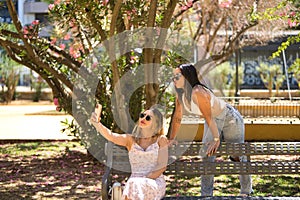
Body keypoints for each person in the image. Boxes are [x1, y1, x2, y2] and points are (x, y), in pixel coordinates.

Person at [169, 63, 252, 196]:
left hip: (229, 118)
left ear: (187, 77)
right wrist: (171, 139)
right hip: (213, 121)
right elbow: (177, 118)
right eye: (173, 76)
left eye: (177, 76)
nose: (174, 79)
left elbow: (208, 117)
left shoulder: (198, 91)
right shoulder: (181, 95)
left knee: (238, 155)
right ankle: (206, 195)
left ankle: (246, 192)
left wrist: (216, 138)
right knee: (207, 156)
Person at [90, 107, 168, 200]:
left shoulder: (161, 140)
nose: (143, 119)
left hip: (154, 181)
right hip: (134, 183)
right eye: (142, 115)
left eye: (148, 118)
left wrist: (145, 179)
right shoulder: (130, 139)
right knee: (133, 185)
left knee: (133, 186)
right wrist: (97, 124)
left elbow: (162, 166)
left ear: (156, 124)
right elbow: (111, 136)